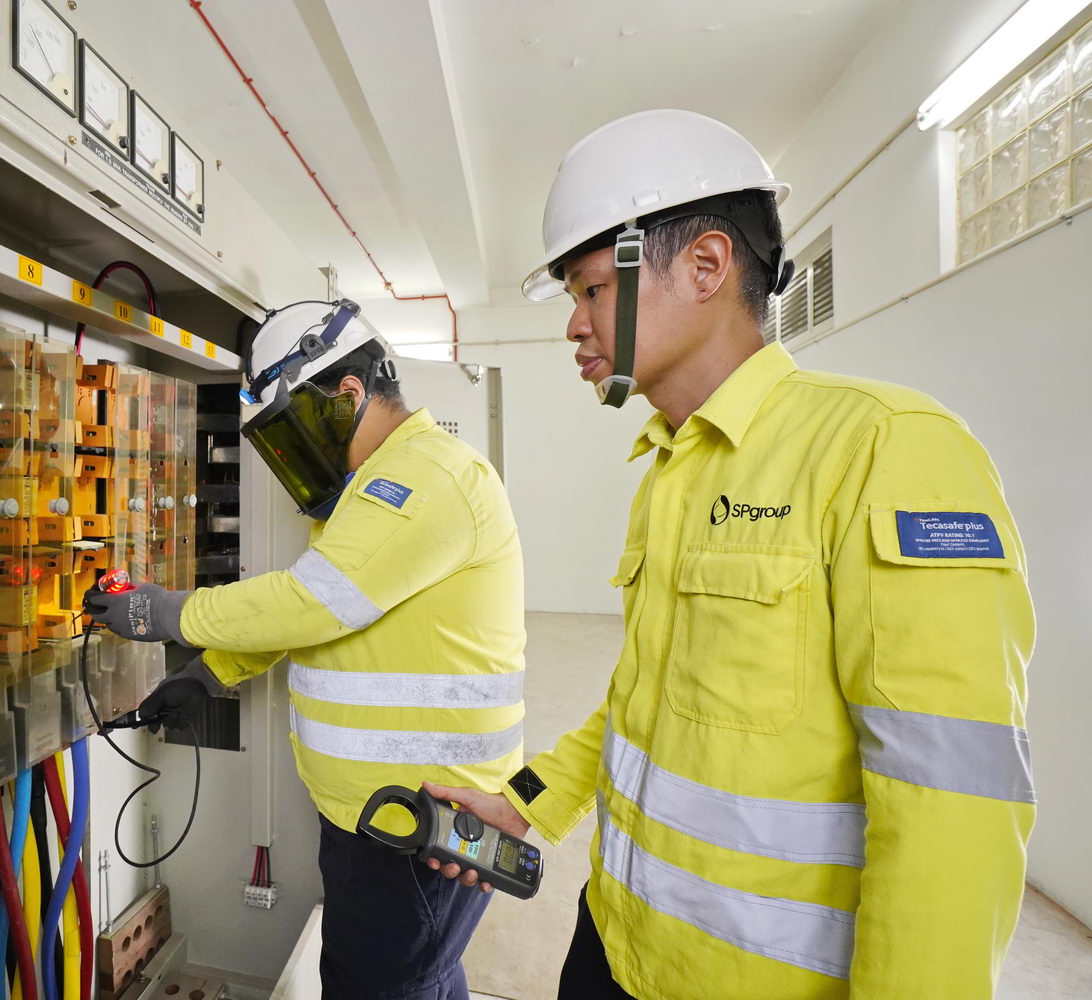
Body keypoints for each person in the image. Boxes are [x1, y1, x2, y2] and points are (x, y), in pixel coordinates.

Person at [424, 109, 1035, 1000]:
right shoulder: (669, 466)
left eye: (590, 290)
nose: (574, 326)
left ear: (706, 265)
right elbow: (642, 703)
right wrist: (523, 803)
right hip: (614, 945)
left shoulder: (885, 448)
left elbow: (952, 804)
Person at [85, 299, 527, 999]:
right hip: (376, 815)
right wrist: (208, 674)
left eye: (296, 429)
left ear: (347, 395)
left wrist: (164, 611)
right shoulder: (372, 490)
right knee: (405, 978)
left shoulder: (424, 477)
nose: (294, 454)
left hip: (421, 820)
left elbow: (307, 602)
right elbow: (317, 615)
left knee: (389, 986)